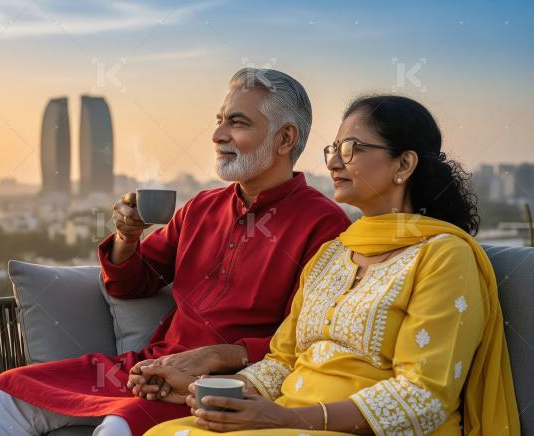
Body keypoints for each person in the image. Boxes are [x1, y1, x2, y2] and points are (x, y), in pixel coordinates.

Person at [0, 68, 351, 436]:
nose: (217, 135)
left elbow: (308, 340)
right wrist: (127, 237)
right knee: (5, 391)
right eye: (220, 121)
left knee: (117, 428)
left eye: (236, 123)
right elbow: (131, 285)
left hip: (228, 385)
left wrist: (218, 356)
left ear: (285, 139)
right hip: (150, 368)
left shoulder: (325, 226)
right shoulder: (202, 207)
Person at [143, 95, 520, 435]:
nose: (334, 161)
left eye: (352, 149)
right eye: (333, 148)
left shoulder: (442, 256)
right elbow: (283, 361)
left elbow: (424, 396)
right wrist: (213, 393)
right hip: (287, 420)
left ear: (404, 163)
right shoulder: (333, 254)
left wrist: (286, 419)